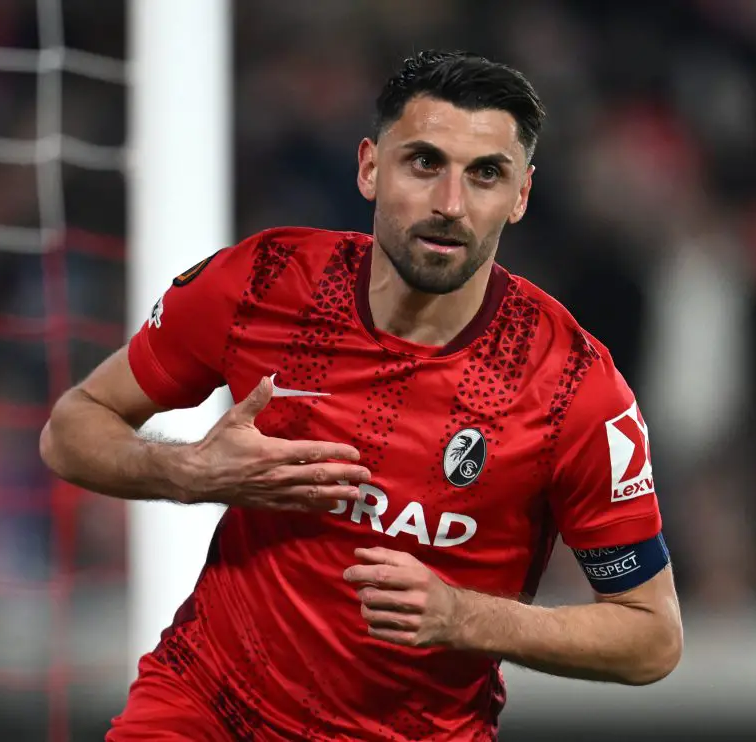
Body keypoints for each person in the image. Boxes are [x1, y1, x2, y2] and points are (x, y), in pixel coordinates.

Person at [41, 49, 683, 742]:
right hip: (205, 707)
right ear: (371, 168)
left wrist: (463, 617)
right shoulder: (264, 283)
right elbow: (73, 428)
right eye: (424, 163)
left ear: (521, 195)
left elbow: (651, 637)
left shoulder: (572, 386)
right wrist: (188, 470)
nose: (450, 205)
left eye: (485, 175)